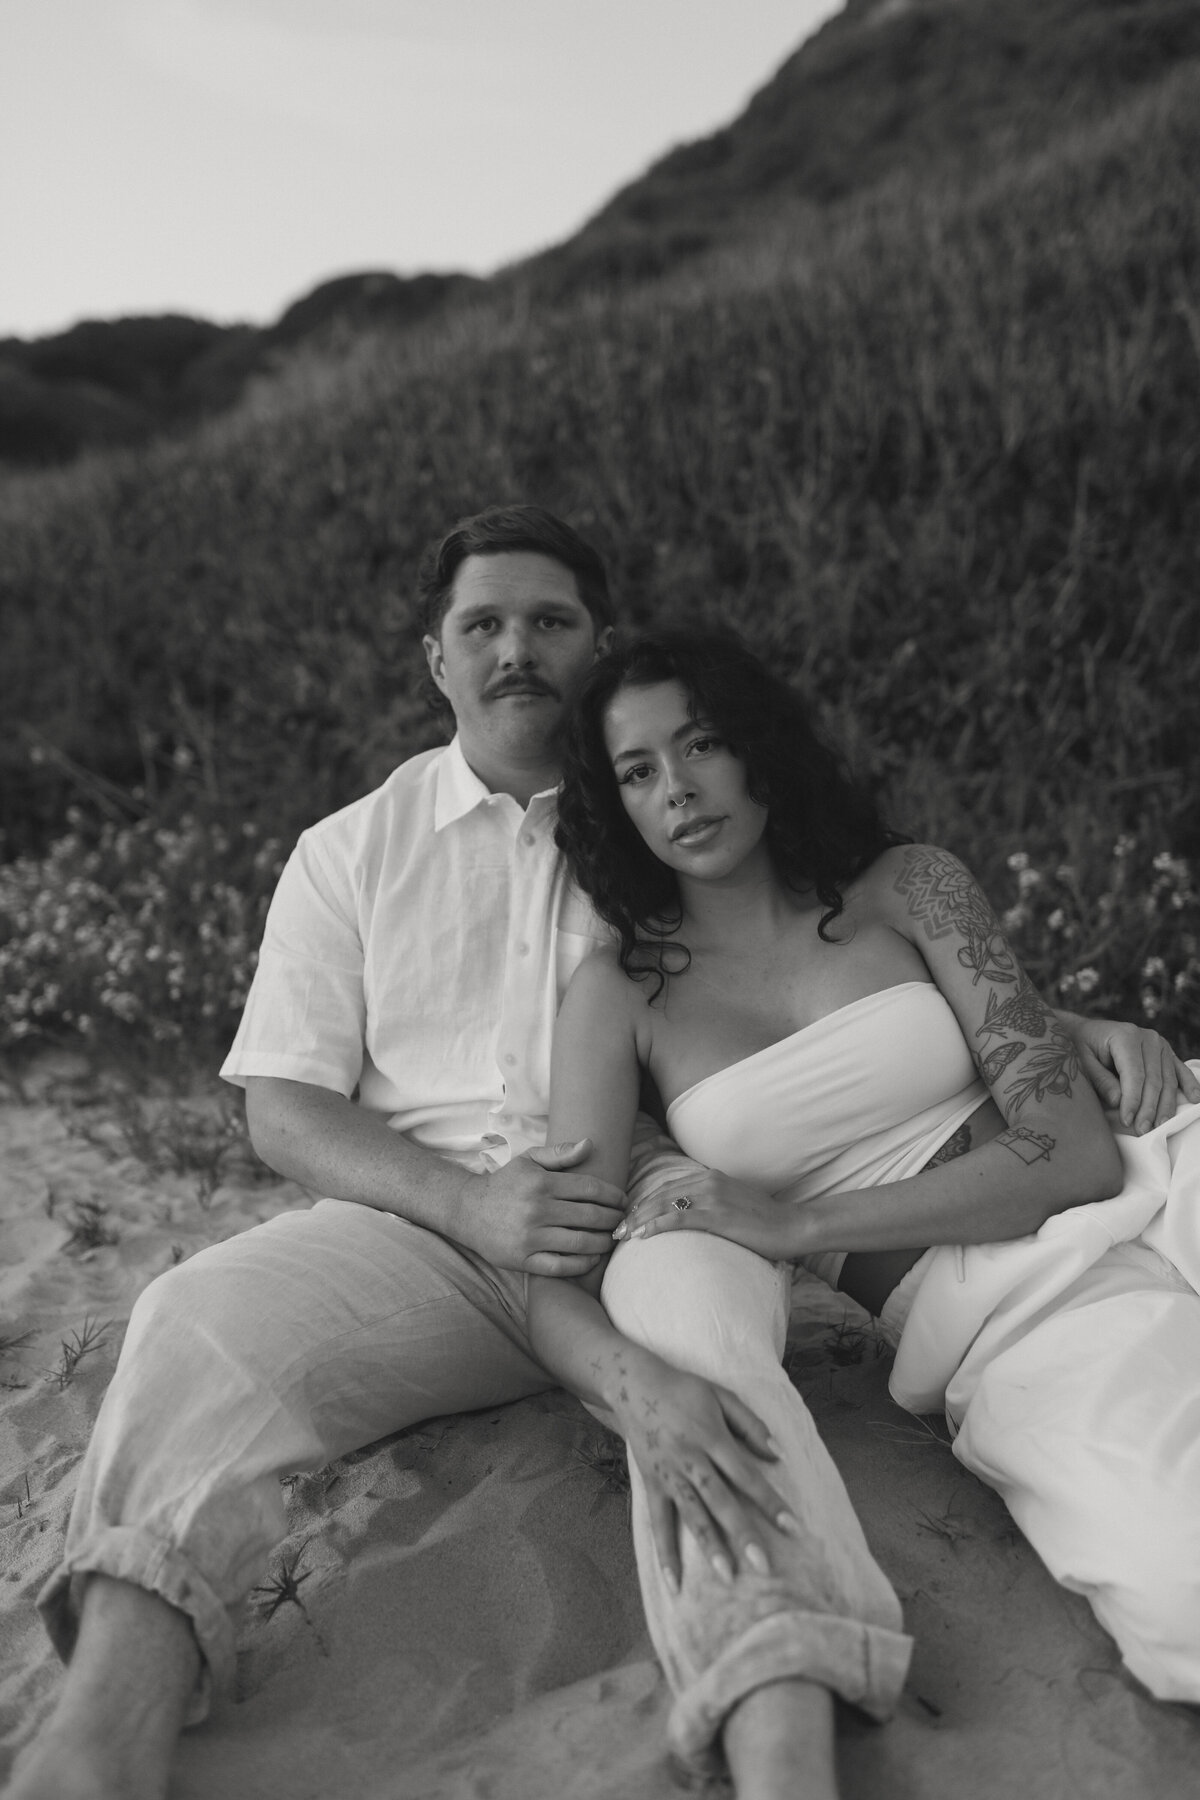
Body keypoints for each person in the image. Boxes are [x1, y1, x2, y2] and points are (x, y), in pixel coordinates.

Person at [11, 509, 1195, 1800]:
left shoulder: (708, 844)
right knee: (191, 1315)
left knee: (689, 1326)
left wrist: (1045, 1022)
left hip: (677, 1202)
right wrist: (474, 1206)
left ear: (601, 646)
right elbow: (281, 1109)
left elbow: (859, 961)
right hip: (452, 1226)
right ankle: (107, 1721)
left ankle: (778, 1717)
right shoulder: (359, 856)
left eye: (550, 622)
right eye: (483, 625)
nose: (515, 647)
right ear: (435, 657)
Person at [528, 624, 1200, 1794]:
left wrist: (792, 1229)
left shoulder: (910, 884)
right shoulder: (617, 994)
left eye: (702, 744)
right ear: (612, 802)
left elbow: (1076, 1154)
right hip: (1003, 1318)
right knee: (1177, 1581)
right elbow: (554, 1252)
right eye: (638, 771)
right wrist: (636, 1385)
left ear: (759, 749)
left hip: (1163, 1172)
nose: (678, 791)